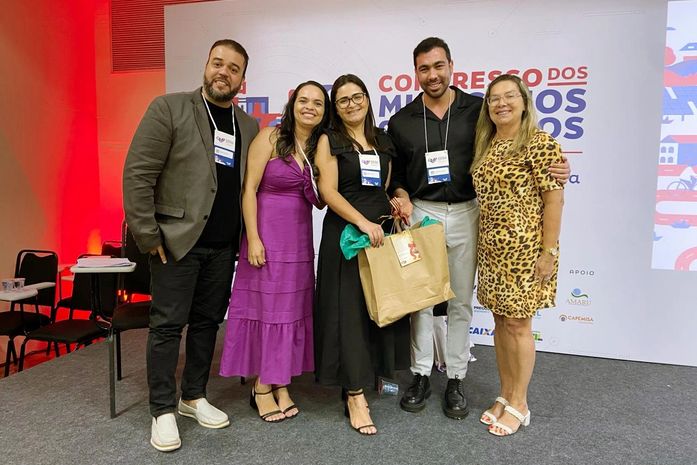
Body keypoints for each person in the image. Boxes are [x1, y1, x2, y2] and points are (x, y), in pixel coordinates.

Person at [388, 37, 570, 420]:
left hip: (468, 213)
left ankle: (456, 376)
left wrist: (558, 168)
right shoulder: (401, 121)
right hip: (422, 213)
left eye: (439, 66)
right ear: (415, 72)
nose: (433, 75)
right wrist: (401, 196)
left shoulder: (478, 110)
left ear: (451, 66)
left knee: (460, 300)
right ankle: (420, 374)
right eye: (424, 68)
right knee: (422, 300)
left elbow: (518, 141)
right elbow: (398, 176)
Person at [123, 39, 259, 452]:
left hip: (223, 247)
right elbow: (137, 174)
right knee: (167, 327)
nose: (224, 72)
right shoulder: (170, 108)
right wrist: (148, 236)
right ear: (206, 65)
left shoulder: (247, 126)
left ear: (242, 80)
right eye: (218, 63)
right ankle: (162, 409)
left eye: (233, 68)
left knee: (206, 324)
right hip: (176, 243)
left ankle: (193, 396)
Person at [219, 81, 329, 422]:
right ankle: (262, 386)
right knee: (267, 311)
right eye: (304, 100)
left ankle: (281, 381)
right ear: (292, 104)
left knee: (290, 311)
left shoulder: (319, 148)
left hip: (299, 241)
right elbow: (249, 189)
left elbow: (322, 199)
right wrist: (253, 237)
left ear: (324, 112)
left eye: (318, 103)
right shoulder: (270, 136)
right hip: (266, 237)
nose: (310, 107)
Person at [314, 74, 411, 435]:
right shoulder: (330, 139)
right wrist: (361, 222)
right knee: (348, 313)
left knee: (378, 308)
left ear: (368, 99)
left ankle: (371, 375)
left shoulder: (382, 139)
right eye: (343, 100)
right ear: (335, 108)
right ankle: (354, 394)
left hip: (381, 232)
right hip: (347, 233)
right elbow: (328, 191)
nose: (351, 104)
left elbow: (392, 183)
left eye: (357, 97)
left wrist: (401, 200)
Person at [472, 74, 564, 436]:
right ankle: (506, 393)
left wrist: (548, 252)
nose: (501, 103)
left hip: (526, 251)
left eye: (510, 96)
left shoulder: (540, 144)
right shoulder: (487, 143)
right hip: (491, 249)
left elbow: (554, 201)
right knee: (499, 323)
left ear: (524, 102)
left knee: (518, 326)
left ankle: (520, 403)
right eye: (494, 98)